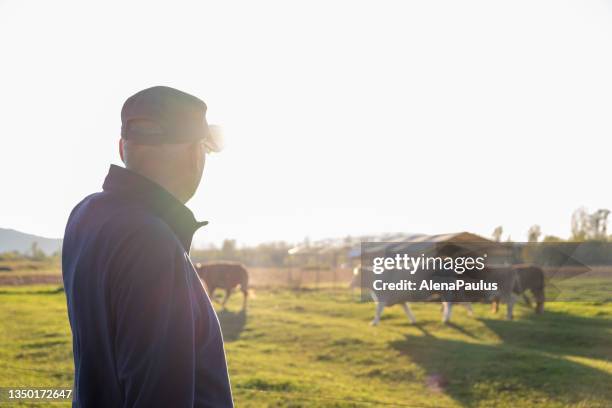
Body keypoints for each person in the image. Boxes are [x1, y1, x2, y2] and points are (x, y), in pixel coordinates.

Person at [62, 86, 233, 407]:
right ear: (196, 154)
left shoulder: (86, 214)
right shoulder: (151, 241)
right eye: (206, 151)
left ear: (122, 148)